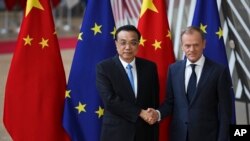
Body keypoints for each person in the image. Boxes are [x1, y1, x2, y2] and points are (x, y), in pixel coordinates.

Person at [147, 26, 232, 141]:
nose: (192, 49)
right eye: (187, 45)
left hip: (208, 137)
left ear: (204, 44)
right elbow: (170, 102)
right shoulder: (174, 69)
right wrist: (157, 114)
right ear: (182, 46)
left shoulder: (219, 71)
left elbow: (225, 112)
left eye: (196, 45)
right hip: (179, 136)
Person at [96, 25, 159, 141]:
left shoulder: (150, 67)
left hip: (144, 132)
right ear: (116, 44)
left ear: (138, 44)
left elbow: (154, 99)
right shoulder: (104, 68)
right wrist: (140, 112)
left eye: (133, 43)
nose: (128, 47)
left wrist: (152, 116)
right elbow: (110, 100)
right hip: (116, 133)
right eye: (123, 43)